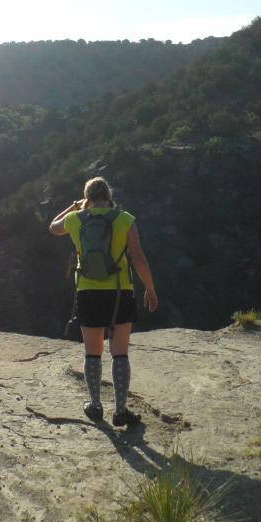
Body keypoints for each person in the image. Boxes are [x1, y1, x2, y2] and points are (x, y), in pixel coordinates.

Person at [49, 176, 158, 426]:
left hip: (88, 292)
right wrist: (150, 288)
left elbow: (52, 227)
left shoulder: (75, 220)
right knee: (120, 353)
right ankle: (121, 410)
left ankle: (95, 405)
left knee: (93, 353)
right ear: (109, 195)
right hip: (121, 291)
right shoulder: (125, 219)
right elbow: (139, 258)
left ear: (88, 197)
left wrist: (75, 206)